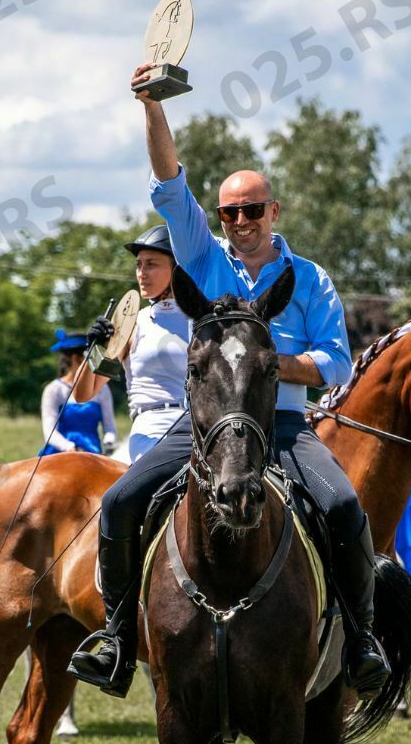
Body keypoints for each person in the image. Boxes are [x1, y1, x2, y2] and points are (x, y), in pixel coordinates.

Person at [67, 63, 389, 699]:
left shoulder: (312, 279)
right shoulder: (204, 257)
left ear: (274, 210)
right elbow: (168, 179)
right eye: (229, 211)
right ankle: (114, 637)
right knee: (119, 501)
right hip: (203, 427)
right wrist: (151, 107)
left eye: (251, 210)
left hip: (286, 424)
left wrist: (267, 366)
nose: (240, 221)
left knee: (346, 506)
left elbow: (337, 364)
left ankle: (361, 639)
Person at [85, 224, 189, 463]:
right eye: (138, 265)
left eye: (151, 264)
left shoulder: (202, 319)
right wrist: (92, 351)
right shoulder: (131, 322)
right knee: (114, 500)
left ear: (176, 268)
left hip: (200, 428)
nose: (142, 273)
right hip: (150, 430)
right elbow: (85, 393)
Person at [39, 329, 118, 457]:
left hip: (93, 452)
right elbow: (49, 432)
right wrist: (70, 447)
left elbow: (109, 428)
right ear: (76, 358)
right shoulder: (53, 390)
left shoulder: (102, 388)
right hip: (60, 453)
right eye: (90, 358)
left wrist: (109, 443)